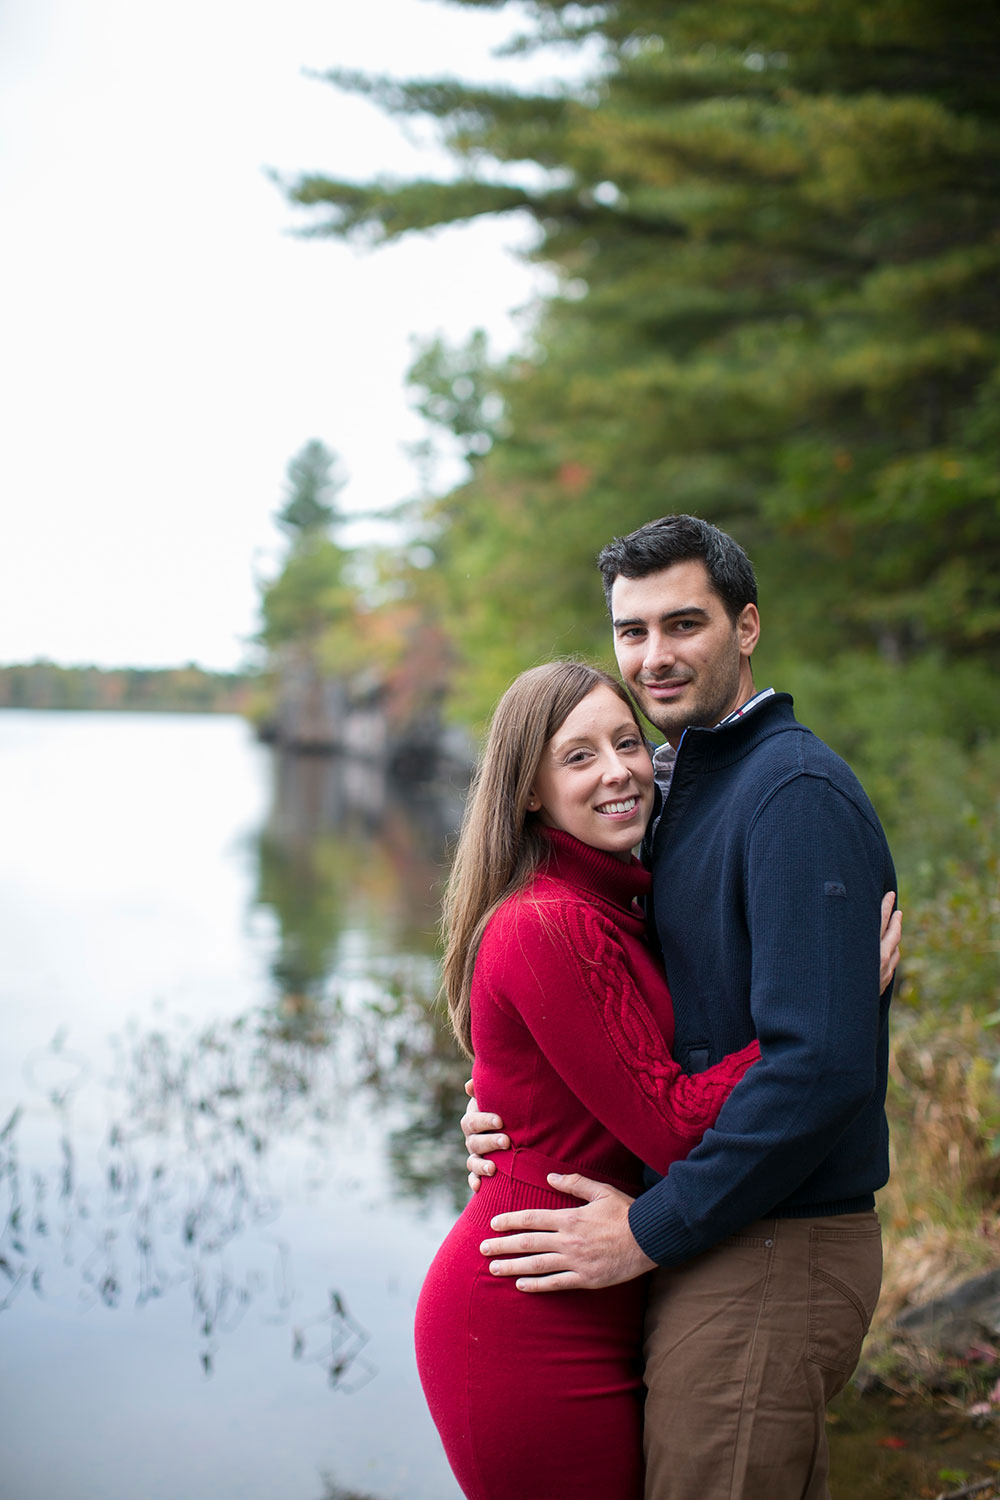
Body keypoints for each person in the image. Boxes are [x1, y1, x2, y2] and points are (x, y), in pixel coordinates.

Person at [464, 515, 900, 1500]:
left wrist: (650, 1229)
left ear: (746, 627)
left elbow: (819, 1064)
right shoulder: (682, 789)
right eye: (632, 632)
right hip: (729, 1237)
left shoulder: (789, 794)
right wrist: (507, 1101)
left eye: (684, 624)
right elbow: (628, 1013)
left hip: (774, 1242)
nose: (653, 657)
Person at [415, 660, 764, 1500]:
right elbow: (675, 1125)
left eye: (628, 743)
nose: (617, 771)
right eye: (577, 757)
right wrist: (814, 1025)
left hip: (604, 1284)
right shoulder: (548, 923)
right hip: (524, 1316)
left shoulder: (618, 904)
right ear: (528, 789)